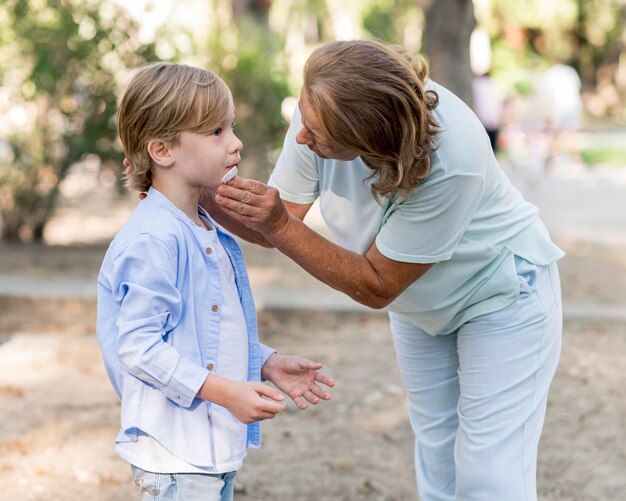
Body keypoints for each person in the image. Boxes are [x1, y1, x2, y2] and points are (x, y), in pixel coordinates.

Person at [205, 40, 564, 501]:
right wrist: (196, 191)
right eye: (306, 121)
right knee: (438, 458)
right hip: (424, 307)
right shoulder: (322, 100)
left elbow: (377, 286)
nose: (301, 138)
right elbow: (278, 225)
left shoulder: (453, 158)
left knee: (490, 471)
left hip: (502, 295)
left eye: (317, 135)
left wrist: (275, 223)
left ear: (368, 139)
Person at [97, 62, 334, 501]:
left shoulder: (205, 228)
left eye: (232, 128)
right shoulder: (154, 238)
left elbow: (200, 332)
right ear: (163, 150)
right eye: (216, 132)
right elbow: (140, 347)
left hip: (206, 452)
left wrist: (264, 362)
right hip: (175, 455)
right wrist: (227, 393)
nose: (235, 142)